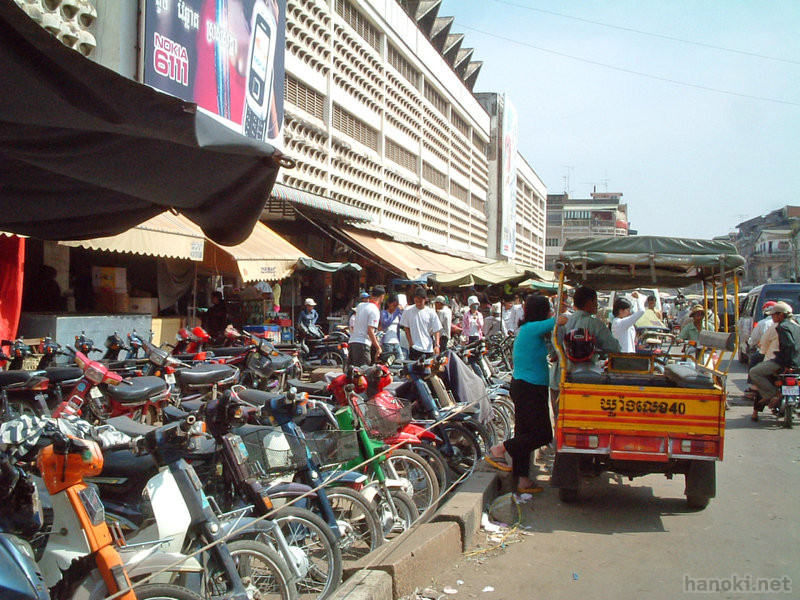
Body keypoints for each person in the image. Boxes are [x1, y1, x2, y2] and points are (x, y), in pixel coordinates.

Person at [486, 295, 567, 493]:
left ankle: (522, 480)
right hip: (530, 388)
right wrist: (560, 311)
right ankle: (500, 449)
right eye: (547, 309)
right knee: (542, 435)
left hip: (525, 386)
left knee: (524, 433)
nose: (549, 312)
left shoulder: (530, 331)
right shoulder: (532, 328)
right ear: (541, 312)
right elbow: (561, 320)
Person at [749, 301, 800, 420]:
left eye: (773, 315)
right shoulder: (797, 326)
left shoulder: (780, 327)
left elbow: (788, 345)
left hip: (781, 362)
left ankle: (772, 396)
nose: (772, 317)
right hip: (796, 363)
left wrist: (788, 364)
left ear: (781, 315)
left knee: (754, 372)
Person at [558, 286, 621, 372]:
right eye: (595, 302)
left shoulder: (561, 322)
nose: (597, 305)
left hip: (560, 374)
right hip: (586, 374)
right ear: (588, 304)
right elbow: (614, 348)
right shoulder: (595, 324)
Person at [400, 287, 442, 359]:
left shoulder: (431, 312)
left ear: (425, 299)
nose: (418, 303)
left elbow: (436, 329)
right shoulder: (408, 311)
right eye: (416, 301)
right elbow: (406, 329)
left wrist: (437, 345)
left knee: (428, 369)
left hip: (428, 348)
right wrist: (411, 343)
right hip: (415, 348)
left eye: (420, 301)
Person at [349, 286, 385, 366]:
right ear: (382, 297)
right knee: (363, 374)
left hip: (352, 342)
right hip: (362, 344)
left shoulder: (360, 305)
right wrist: (378, 347)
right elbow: (370, 331)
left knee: (352, 375)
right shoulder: (374, 310)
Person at [380, 293, 404, 363]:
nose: (395, 308)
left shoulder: (398, 314)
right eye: (394, 305)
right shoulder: (384, 313)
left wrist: (402, 311)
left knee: (401, 361)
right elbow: (385, 324)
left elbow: (403, 323)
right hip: (387, 342)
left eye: (396, 306)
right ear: (388, 304)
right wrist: (396, 313)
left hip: (396, 342)